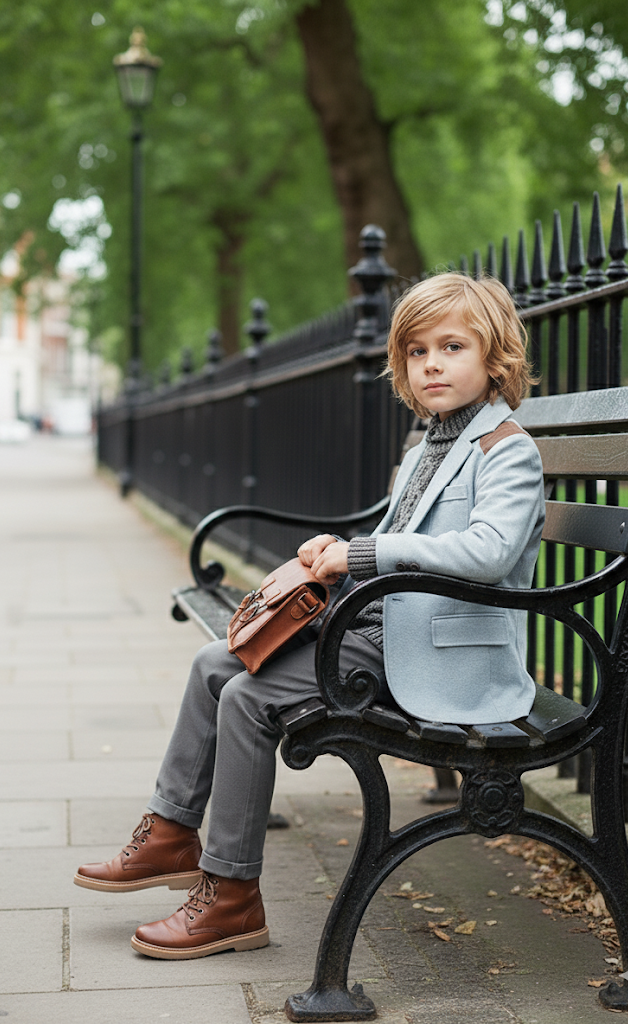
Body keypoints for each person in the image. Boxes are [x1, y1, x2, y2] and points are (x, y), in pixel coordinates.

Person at [74, 272, 545, 961]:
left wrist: (359, 555)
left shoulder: (506, 450)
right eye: (416, 352)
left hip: (438, 654)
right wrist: (335, 551)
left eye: (451, 347)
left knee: (249, 696)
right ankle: (172, 832)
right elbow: (394, 539)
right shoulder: (430, 445)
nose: (432, 364)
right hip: (384, 630)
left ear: (494, 358)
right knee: (215, 664)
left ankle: (231, 895)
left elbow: (486, 552)